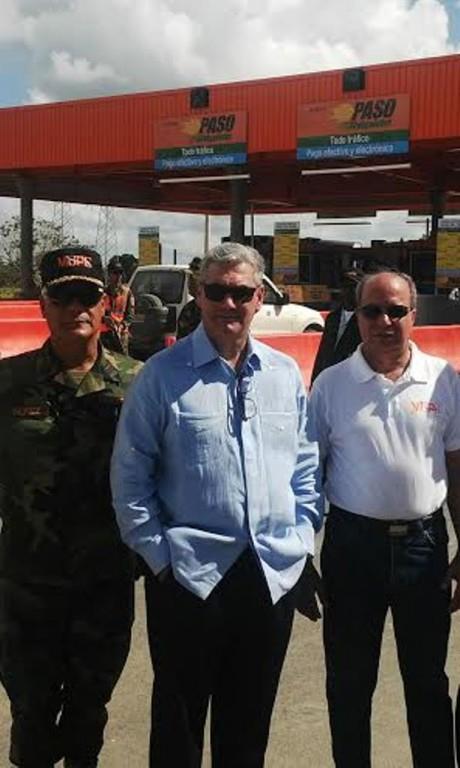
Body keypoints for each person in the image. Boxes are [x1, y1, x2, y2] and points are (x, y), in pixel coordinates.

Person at [111, 242, 322, 768]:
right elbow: (130, 477)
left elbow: (305, 467)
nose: (229, 303)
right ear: (199, 296)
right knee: (178, 727)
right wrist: (159, 558)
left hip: (269, 573)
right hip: (188, 576)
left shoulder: (282, 374)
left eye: (242, 293)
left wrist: (300, 539)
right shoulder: (161, 375)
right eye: (217, 291)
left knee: (248, 728)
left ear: (259, 299)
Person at [309, 270, 460, 768]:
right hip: (353, 550)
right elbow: (306, 476)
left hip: (424, 549)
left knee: (428, 682)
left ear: (414, 315)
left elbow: (457, 469)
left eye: (397, 310)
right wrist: (299, 554)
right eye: (372, 310)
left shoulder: (444, 379)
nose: (385, 321)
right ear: (357, 317)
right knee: (349, 684)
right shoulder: (331, 385)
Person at [0, 246, 142, 768]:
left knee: (88, 714)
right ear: (43, 305)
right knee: (31, 716)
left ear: (106, 305)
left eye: (87, 297)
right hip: (26, 586)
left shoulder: (139, 383)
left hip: (103, 584)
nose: (76, 309)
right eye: (63, 298)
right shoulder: (7, 383)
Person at [310, 268, 363, 383]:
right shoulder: (332, 318)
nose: (348, 291)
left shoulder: (366, 320)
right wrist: (315, 381)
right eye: (345, 287)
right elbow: (322, 353)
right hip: (329, 379)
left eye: (353, 287)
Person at [104, 256, 135, 353]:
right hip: (105, 335)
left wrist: (123, 325)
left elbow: (130, 314)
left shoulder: (126, 292)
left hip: (121, 334)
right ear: (109, 275)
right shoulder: (102, 293)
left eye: (120, 273)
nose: (118, 276)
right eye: (115, 273)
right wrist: (104, 319)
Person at [176, 256, 203, 339]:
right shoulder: (189, 309)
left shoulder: (213, 308)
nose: (189, 283)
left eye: (192, 278)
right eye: (189, 278)